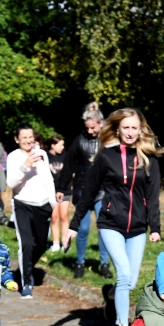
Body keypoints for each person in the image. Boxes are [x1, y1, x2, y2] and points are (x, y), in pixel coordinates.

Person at [69, 108, 164, 326]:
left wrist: (155, 227)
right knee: (123, 274)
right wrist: (74, 224)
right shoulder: (106, 156)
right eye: (125, 127)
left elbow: (153, 197)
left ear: (140, 129)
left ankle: (110, 295)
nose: (130, 132)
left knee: (130, 282)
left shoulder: (148, 159)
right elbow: (89, 192)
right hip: (110, 223)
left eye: (134, 127)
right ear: (118, 129)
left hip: (138, 227)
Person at [58, 102, 111, 279]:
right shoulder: (79, 140)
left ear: (101, 123)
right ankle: (79, 262)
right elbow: (68, 164)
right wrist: (62, 187)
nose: (90, 131)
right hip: (82, 191)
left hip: (103, 191)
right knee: (83, 229)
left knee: (103, 228)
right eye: (87, 128)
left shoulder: (108, 140)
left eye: (93, 128)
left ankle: (104, 263)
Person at [6, 124, 57, 300]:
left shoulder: (41, 154)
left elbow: (48, 179)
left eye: (30, 137)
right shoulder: (14, 157)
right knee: (26, 243)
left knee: (41, 244)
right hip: (23, 204)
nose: (28, 140)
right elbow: (11, 183)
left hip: (43, 205)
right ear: (17, 139)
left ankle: (25, 267)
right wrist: (25, 165)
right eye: (24, 137)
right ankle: (26, 282)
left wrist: (53, 203)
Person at [47, 134, 69, 252]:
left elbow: (71, 172)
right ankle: (55, 244)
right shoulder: (46, 157)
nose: (62, 147)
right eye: (60, 145)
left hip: (65, 190)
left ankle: (65, 243)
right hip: (51, 191)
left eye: (63, 145)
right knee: (54, 217)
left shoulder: (66, 156)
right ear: (53, 145)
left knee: (64, 216)